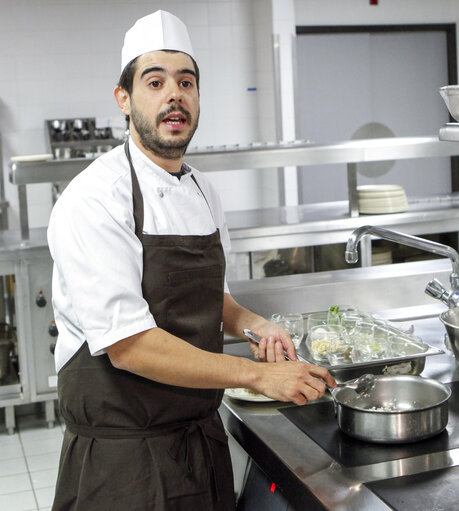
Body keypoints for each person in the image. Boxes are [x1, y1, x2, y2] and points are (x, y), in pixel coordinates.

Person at [47, 10, 335, 510]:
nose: (173, 95)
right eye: (154, 81)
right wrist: (257, 375)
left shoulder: (202, 190)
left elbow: (207, 297)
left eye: (186, 81)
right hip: (124, 463)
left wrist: (252, 324)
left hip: (199, 447)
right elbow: (129, 346)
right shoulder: (95, 197)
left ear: (198, 97)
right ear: (124, 98)